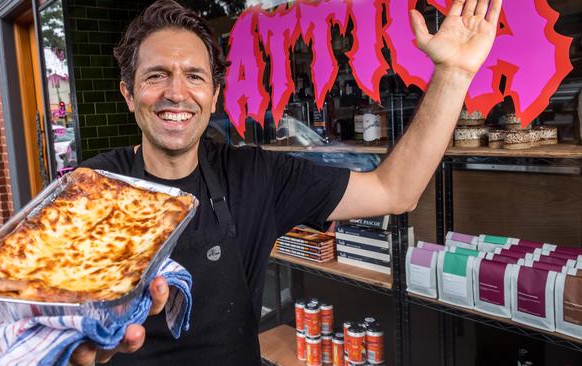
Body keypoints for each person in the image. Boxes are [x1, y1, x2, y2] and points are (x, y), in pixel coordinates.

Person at [72, 0, 502, 364]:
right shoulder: (88, 192)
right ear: (128, 93)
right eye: (156, 75)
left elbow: (396, 190)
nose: (177, 93)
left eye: (195, 76)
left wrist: (453, 75)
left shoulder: (256, 175)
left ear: (214, 95)